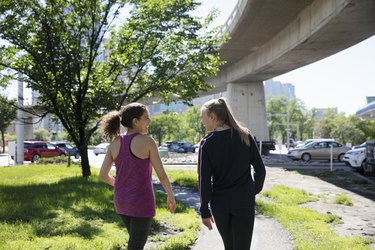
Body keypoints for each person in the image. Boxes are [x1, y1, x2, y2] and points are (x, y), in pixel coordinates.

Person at [99, 102, 176, 250]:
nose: (150, 121)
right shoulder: (147, 142)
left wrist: (120, 186)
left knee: (135, 242)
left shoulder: (115, 142)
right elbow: (161, 174)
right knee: (135, 246)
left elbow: (103, 175)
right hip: (141, 202)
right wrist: (170, 195)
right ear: (135, 121)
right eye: (146, 118)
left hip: (121, 201)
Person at [198, 98, 266, 250]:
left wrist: (204, 211)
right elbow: (260, 170)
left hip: (220, 204)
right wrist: (252, 191)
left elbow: (204, 181)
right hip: (244, 201)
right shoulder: (245, 135)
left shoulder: (207, 143)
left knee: (229, 247)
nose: (202, 122)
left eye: (203, 118)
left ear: (213, 117)